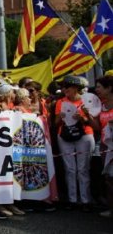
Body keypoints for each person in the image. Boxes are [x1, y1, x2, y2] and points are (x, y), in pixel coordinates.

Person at [54, 75, 99, 212]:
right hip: (65, 136)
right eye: (63, 87)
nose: (64, 89)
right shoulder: (60, 102)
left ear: (75, 88)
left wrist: (83, 118)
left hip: (84, 135)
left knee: (83, 169)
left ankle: (85, 200)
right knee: (70, 169)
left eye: (66, 86)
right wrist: (60, 118)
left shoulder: (87, 101)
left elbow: (95, 124)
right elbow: (55, 123)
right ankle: (72, 200)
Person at [94, 76, 113, 218]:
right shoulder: (99, 106)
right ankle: (111, 208)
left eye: (99, 87)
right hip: (105, 148)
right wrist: (87, 117)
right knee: (108, 179)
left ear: (109, 88)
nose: (97, 90)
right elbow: (97, 127)